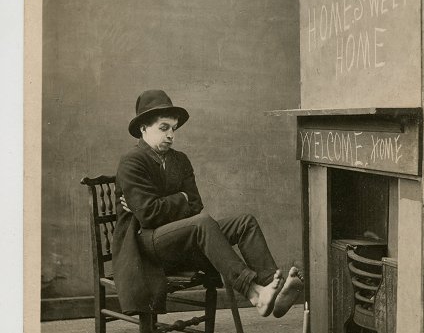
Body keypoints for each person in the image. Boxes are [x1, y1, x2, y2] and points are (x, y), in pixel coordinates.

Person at [112, 89, 303, 317]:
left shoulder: (180, 160)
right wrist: (181, 198)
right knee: (201, 223)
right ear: (143, 127)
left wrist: (169, 203)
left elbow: (195, 204)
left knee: (245, 223)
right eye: (164, 128)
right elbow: (149, 215)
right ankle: (253, 292)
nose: (171, 135)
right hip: (146, 245)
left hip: (180, 238)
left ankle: (274, 287)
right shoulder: (131, 162)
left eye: (174, 129)